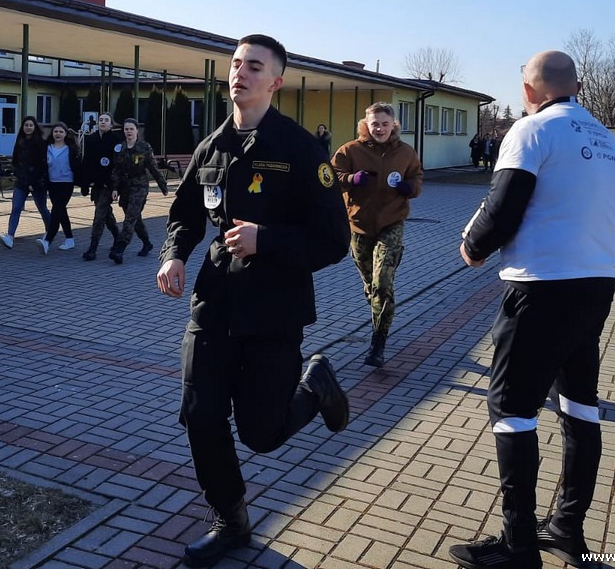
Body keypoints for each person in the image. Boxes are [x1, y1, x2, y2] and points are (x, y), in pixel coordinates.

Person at [157, 34, 351, 568]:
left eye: (254, 66)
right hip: (214, 303)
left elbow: (334, 239)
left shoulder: (301, 150)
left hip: (273, 310)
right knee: (200, 415)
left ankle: (316, 385)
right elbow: (185, 215)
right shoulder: (212, 146)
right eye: (236, 63)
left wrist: (268, 241)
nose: (240, 73)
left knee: (262, 433)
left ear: (276, 82)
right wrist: (174, 256)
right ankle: (231, 520)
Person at [447, 51, 615, 569]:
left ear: (527, 91)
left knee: (511, 412)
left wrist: (472, 247)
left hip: (540, 289)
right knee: (579, 405)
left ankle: (519, 545)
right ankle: (568, 527)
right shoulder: (605, 139)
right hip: (596, 285)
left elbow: (502, 207)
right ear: (578, 86)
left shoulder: (531, 131)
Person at [330, 103, 423, 369]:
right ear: (366, 125)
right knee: (372, 286)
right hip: (359, 226)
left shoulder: (405, 152)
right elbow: (330, 178)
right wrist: (351, 180)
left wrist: (409, 187)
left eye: (384, 124)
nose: (380, 129)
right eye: (375, 124)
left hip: (392, 223)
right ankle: (379, 315)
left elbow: (417, 179)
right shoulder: (350, 150)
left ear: (393, 125)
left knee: (382, 283)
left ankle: (378, 343)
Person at [107, 118, 169, 264]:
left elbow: (153, 167)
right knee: (135, 219)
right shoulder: (120, 148)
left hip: (140, 186)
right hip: (125, 187)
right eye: (126, 129)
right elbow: (116, 170)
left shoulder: (144, 147)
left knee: (130, 218)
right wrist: (114, 188)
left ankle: (119, 249)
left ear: (136, 130)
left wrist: (163, 186)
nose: (128, 131)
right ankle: (147, 243)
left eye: (131, 129)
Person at [0, 116, 51, 249]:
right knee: (16, 208)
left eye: (31, 125)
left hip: (37, 183)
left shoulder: (40, 143)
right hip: (21, 182)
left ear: (35, 127)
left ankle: (50, 232)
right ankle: (10, 236)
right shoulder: (20, 141)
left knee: (42, 208)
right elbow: (16, 161)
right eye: (26, 125)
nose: (28, 127)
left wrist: (34, 181)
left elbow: (42, 165)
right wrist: (18, 175)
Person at [80, 113, 123, 261]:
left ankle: (92, 249)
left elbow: (117, 165)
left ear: (111, 124)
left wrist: (115, 185)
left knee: (99, 216)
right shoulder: (90, 139)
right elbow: (86, 161)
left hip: (108, 184)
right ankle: (118, 237)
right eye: (101, 120)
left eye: (106, 120)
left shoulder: (116, 140)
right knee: (106, 214)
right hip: (96, 184)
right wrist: (84, 183)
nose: (103, 122)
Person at [41, 123, 82, 254]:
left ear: (65, 134)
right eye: (55, 131)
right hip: (52, 183)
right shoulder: (47, 148)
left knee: (56, 211)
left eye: (60, 132)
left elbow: (77, 166)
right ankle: (70, 239)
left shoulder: (70, 149)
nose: (58, 134)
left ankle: (47, 240)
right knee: (61, 211)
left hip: (66, 183)